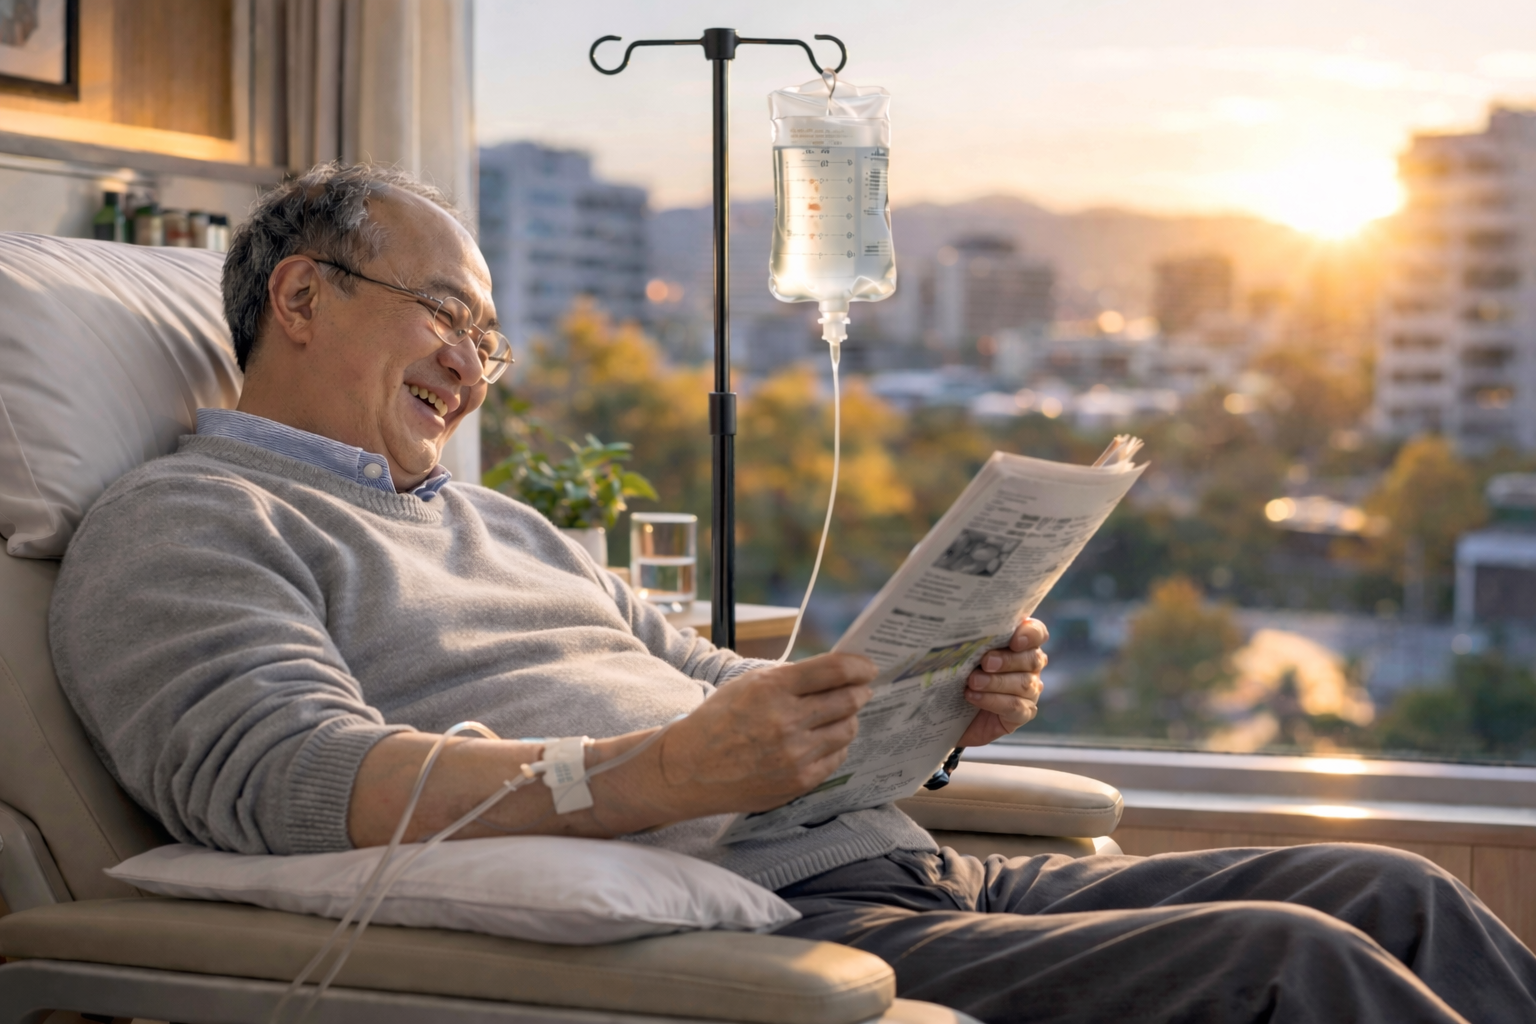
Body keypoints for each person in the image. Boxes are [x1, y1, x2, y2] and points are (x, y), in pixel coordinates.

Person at [50, 163, 1535, 1024]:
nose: (469, 363)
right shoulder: (185, 523)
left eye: (489, 342)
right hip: (781, 926)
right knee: (1293, 968)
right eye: (447, 312)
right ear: (301, 300)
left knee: (1395, 887)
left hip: (922, 867)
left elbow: (710, 684)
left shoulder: (501, 520)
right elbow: (279, 776)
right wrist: (635, 778)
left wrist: (921, 708)